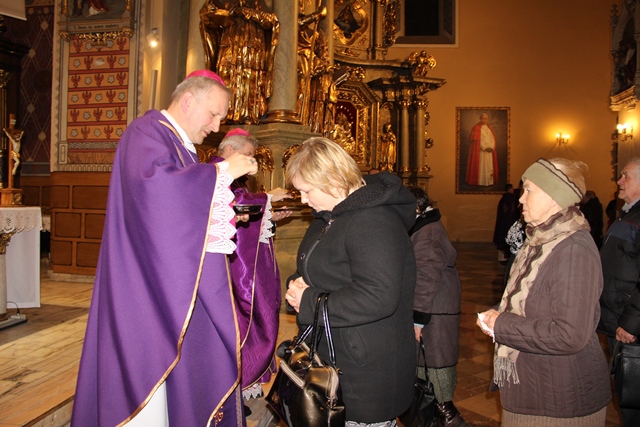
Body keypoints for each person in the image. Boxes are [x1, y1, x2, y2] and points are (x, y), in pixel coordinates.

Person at [71, 70, 259, 426]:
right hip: (144, 289)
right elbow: (158, 194)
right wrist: (221, 172)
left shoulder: (180, 144)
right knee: (148, 375)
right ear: (188, 101)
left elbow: (182, 208)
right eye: (213, 115)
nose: (216, 127)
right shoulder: (147, 132)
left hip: (163, 281)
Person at [284, 137, 417, 426]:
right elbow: (316, 269)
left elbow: (378, 296)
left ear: (332, 180)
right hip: (337, 355)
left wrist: (309, 301)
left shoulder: (374, 221)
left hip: (365, 367)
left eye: (306, 191)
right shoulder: (328, 216)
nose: (303, 200)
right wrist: (296, 285)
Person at [477, 158, 611, 426]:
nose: (521, 199)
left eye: (529, 190)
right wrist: (499, 314)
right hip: (534, 389)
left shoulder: (573, 249)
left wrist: (503, 324)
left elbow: (569, 335)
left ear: (554, 196)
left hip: (560, 400)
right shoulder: (539, 241)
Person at [212, 128, 292, 406]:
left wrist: (269, 216)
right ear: (229, 150)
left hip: (242, 262)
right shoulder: (216, 171)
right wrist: (268, 197)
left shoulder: (237, 178)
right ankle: (230, 389)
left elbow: (242, 214)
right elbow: (234, 204)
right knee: (242, 318)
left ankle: (244, 383)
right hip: (230, 268)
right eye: (248, 155)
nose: (252, 162)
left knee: (258, 312)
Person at [407, 186, 467, 427]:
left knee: (433, 366)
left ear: (416, 208)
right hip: (436, 307)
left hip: (433, 310)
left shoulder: (428, 232)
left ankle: (448, 417)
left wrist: (417, 319)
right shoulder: (425, 227)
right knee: (430, 365)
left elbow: (426, 277)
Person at [598, 158, 640, 426]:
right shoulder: (628, 215)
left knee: (634, 396)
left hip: (630, 325)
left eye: (626, 176)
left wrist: (632, 323)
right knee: (627, 393)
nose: (619, 181)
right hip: (619, 319)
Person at [465, 112, 499, 186]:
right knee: (482, 166)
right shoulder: (476, 128)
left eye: (485, 119)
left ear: (487, 119)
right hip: (481, 151)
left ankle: (489, 182)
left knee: (489, 166)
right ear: (480, 119)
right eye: (482, 119)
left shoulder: (489, 128)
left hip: (489, 151)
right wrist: (485, 148)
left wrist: (491, 147)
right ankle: (482, 182)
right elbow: (477, 141)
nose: (484, 120)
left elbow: (492, 138)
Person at [492, 183, 519, 262]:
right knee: (505, 239)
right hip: (508, 223)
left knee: (502, 238)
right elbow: (511, 211)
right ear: (510, 189)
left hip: (502, 223)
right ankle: (504, 257)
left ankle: (501, 256)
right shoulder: (510, 198)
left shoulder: (503, 199)